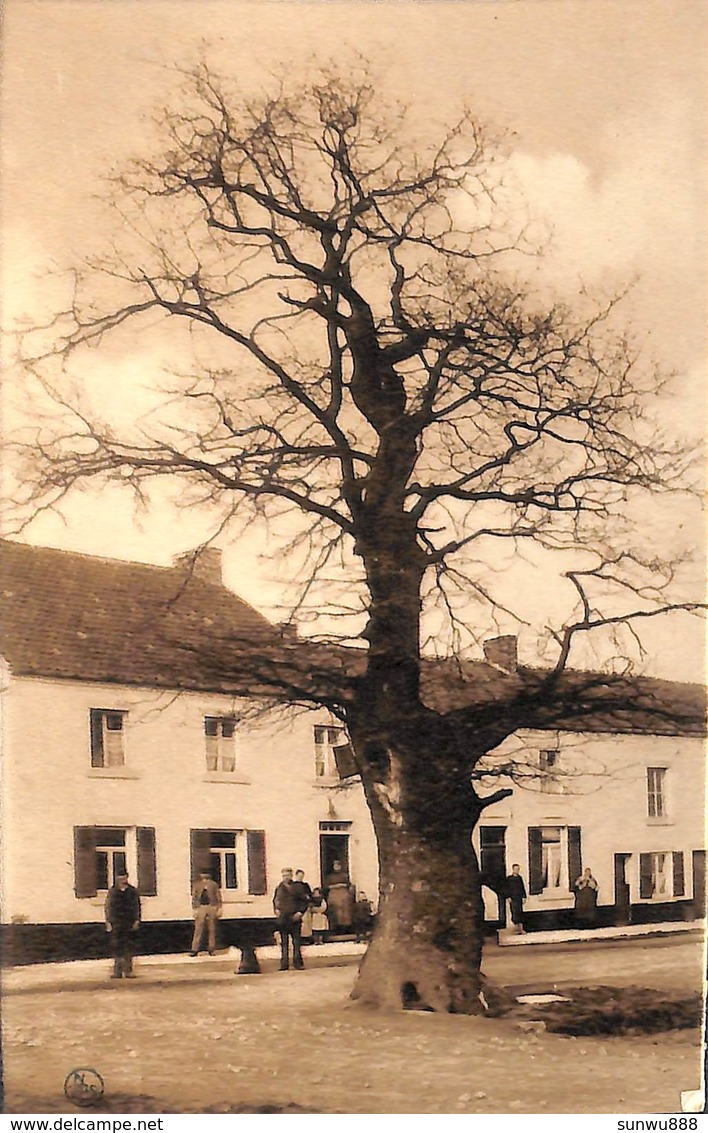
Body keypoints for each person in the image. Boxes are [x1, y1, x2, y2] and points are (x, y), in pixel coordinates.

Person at [105, 869, 141, 978]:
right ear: (116, 878)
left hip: (129, 922)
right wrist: (108, 921)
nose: (122, 879)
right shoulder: (113, 891)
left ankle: (128, 971)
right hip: (116, 922)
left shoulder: (132, 891)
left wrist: (136, 920)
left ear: (127, 877)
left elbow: (137, 906)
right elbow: (108, 907)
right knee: (117, 946)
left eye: (124, 877)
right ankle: (117, 971)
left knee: (128, 946)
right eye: (120, 878)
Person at [273, 867, 309, 970]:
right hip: (283, 918)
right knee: (284, 943)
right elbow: (275, 900)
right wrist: (276, 909)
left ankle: (298, 963)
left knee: (296, 942)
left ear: (291, 876)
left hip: (295, 917)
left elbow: (304, 901)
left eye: (288, 875)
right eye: (284, 875)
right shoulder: (279, 888)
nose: (286, 877)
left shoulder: (298, 887)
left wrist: (300, 912)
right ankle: (284, 964)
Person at [190, 869, 223, 956]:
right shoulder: (197, 885)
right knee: (198, 929)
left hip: (212, 906)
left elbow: (218, 896)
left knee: (212, 928)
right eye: (203, 874)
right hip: (201, 907)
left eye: (206, 874)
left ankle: (211, 948)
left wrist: (219, 908)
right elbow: (194, 897)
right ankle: (195, 949)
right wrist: (195, 909)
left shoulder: (213, 885)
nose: (204, 876)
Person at [324, 859, 354, 934]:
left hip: (343, 894)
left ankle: (345, 928)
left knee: (344, 911)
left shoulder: (344, 876)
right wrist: (336, 886)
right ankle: (335, 929)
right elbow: (327, 886)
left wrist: (343, 885)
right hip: (334, 894)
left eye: (338, 866)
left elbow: (348, 884)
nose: (337, 867)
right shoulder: (330, 877)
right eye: (335, 866)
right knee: (335, 911)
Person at [504, 863, 527, 934]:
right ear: (513, 869)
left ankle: (521, 929)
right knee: (514, 912)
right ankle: (516, 929)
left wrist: (524, 897)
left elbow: (522, 887)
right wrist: (508, 897)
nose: (516, 870)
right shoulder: (509, 879)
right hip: (513, 898)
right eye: (515, 869)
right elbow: (506, 888)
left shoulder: (519, 878)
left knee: (520, 912)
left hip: (519, 898)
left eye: (518, 869)